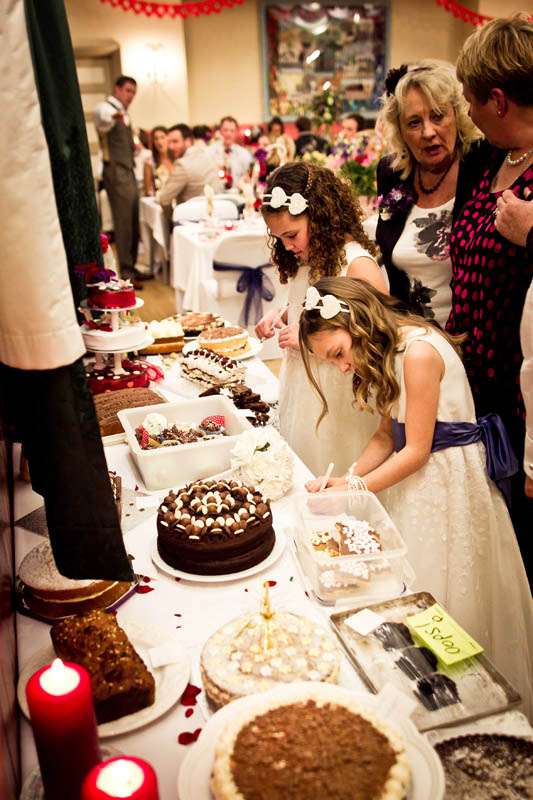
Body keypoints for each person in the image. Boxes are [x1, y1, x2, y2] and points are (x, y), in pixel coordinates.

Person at [303, 277, 533, 716]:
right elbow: (386, 435)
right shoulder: (387, 349)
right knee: (407, 586)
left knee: (442, 587)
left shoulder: (419, 352)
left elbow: (416, 451)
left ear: (356, 322)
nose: (342, 367)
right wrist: (347, 478)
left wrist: (355, 491)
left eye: (337, 353)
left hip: (445, 479)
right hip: (416, 476)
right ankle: (420, 684)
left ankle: (462, 701)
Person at [447, 15, 533, 565]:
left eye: (469, 98)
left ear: (498, 101)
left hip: (522, 400)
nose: (467, 111)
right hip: (471, 383)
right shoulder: (487, 159)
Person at [255, 162, 387, 476]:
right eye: (279, 238)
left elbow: (381, 338)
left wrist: (308, 341)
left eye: (291, 235)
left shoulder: (356, 264)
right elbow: (313, 308)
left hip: (342, 396)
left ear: (319, 216)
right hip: (304, 389)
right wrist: (283, 314)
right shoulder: (307, 259)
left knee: (335, 465)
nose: (287, 245)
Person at [375, 60, 481, 326]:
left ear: (457, 114)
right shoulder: (392, 173)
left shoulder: (482, 165)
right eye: (413, 123)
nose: (428, 132)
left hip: (470, 334)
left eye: (438, 116)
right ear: (400, 130)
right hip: (410, 334)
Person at [93, 75, 142, 284]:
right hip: (115, 170)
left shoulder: (124, 112)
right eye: (128, 90)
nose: (131, 96)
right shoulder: (106, 108)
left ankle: (132, 267)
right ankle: (126, 272)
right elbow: (101, 117)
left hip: (128, 170)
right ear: (117, 89)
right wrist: (115, 115)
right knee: (124, 222)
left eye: (134, 92)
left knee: (133, 219)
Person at [156, 123, 218, 211]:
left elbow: (164, 199)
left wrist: (172, 216)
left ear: (188, 141)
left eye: (175, 141)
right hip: (216, 212)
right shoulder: (208, 156)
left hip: (192, 216)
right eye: (169, 142)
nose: (171, 147)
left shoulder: (182, 164)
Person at [209, 116, 252, 186]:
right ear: (220, 131)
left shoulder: (244, 154)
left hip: (237, 190)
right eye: (225, 130)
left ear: (236, 133)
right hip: (216, 191)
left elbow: (247, 175)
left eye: (232, 131)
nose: (228, 134)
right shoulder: (210, 152)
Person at [143, 126, 173, 196]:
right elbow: (148, 191)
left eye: (162, 137)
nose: (159, 142)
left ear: (168, 138)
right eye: (156, 139)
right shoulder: (149, 162)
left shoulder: (176, 158)